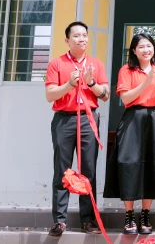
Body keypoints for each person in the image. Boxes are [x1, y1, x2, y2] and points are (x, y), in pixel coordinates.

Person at [44, 21, 109, 238]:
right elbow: (50, 95)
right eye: (76, 35)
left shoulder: (95, 64)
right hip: (64, 120)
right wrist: (69, 85)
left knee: (88, 170)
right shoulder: (57, 63)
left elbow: (105, 95)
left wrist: (91, 83)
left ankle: (88, 219)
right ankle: (59, 221)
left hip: (88, 120)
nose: (82, 39)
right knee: (62, 169)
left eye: (84, 35)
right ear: (67, 40)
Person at [109, 33, 155, 235]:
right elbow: (126, 98)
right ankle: (129, 215)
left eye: (149, 46)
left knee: (152, 164)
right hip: (133, 118)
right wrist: (146, 82)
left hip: (154, 119)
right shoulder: (126, 70)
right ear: (134, 51)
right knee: (129, 164)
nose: (146, 50)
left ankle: (145, 214)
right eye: (142, 46)